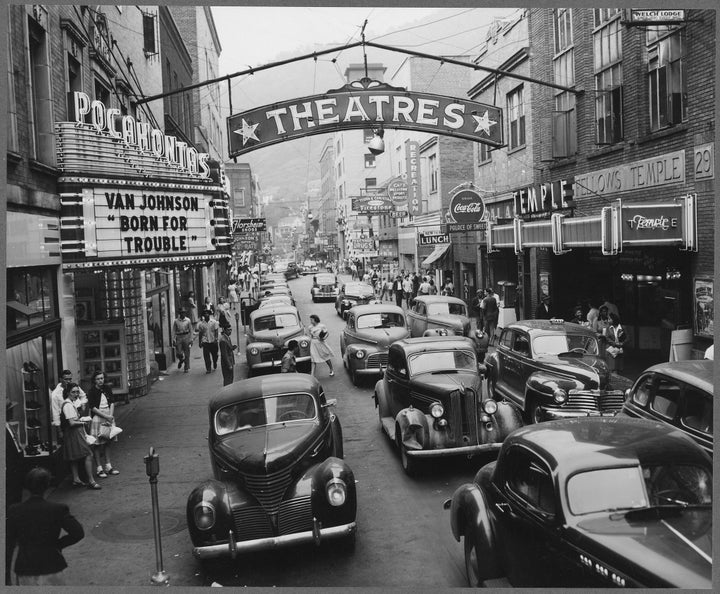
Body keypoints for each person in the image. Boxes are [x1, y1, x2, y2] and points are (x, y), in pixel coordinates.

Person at [6, 467, 85, 585]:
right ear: (47, 485)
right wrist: (58, 545)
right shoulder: (58, 509)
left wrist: (6, 576)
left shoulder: (14, 510)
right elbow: (78, 533)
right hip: (51, 564)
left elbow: (8, 544)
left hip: (25, 567)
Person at [60, 383, 100, 490]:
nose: (76, 394)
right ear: (68, 392)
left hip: (73, 433)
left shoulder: (69, 403)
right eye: (73, 392)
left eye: (77, 391)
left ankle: (76, 478)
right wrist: (82, 422)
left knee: (74, 457)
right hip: (74, 433)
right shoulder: (68, 405)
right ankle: (91, 481)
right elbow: (72, 423)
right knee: (88, 454)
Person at [87, 370, 119, 479]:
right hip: (98, 417)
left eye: (102, 378)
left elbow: (112, 402)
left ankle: (108, 466)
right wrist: (106, 417)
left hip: (108, 416)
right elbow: (93, 407)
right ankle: (99, 468)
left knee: (107, 442)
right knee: (97, 444)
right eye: (98, 379)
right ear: (94, 380)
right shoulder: (91, 391)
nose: (100, 380)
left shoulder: (107, 388)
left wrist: (110, 416)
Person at [51, 370, 87, 443]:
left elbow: (83, 396)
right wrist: (59, 431)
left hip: (78, 415)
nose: (68, 381)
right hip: (67, 421)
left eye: (70, 379)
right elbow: (55, 413)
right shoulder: (55, 394)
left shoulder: (74, 386)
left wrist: (83, 404)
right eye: (66, 379)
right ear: (60, 379)